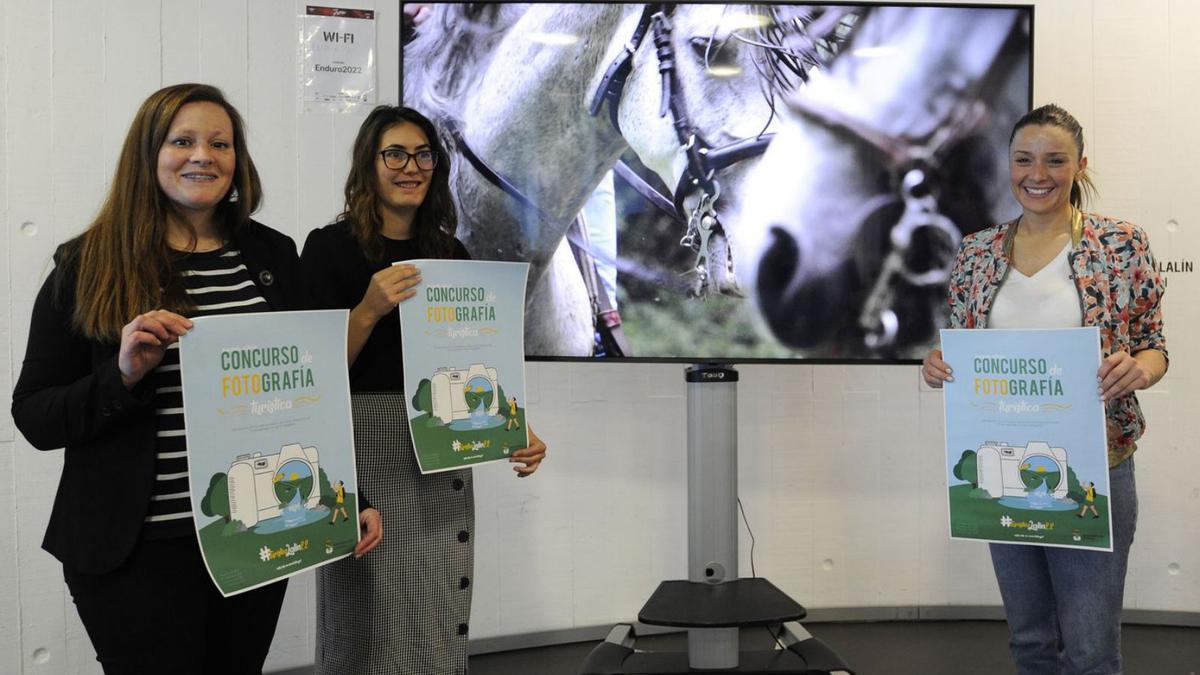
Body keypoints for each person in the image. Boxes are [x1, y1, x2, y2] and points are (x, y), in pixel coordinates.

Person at [9, 83, 381, 673]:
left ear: (238, 160)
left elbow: (308, 393)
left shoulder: (274, 258)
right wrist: (122, 374)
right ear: (147, 155)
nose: (203, 155)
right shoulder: (87, 265)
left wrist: (347, 494)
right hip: (135, 549)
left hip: (252, 536)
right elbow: (34, 415)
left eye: (220, 143)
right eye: (182, 141)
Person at [302, 105, 548, 674]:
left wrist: (512, 425)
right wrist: (366, 310)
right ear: (369, 164)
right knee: (362, 618)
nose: (411, 166)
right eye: (395, 154)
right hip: (363, 455)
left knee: (437, 605)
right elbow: (310, 379)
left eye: (423, 155)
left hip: (437, 451)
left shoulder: (449, 253)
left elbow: (471, 368)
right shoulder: (328, 249)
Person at [921, 103, 1167, 674]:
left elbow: (1154, 344)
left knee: (1089, 649)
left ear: (1080, 166)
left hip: (1093, 471)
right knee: (1030, 642)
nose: (1039, 173)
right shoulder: (976, 252)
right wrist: (938, 366)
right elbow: (960, 348)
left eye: (1056, 160)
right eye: (1024, 159)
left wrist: (1142, 369)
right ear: (1008, 165)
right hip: (998, 470)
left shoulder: (1122, 245)